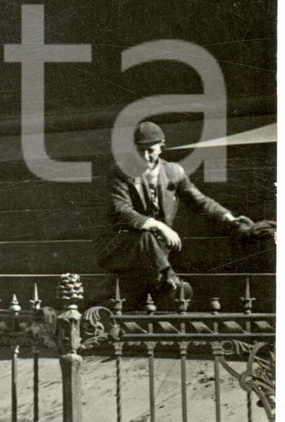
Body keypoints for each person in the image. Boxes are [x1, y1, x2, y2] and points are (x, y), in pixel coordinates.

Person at [96, 122, 255, 309]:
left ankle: (170, 292)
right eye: (141, 150)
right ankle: (172, 284)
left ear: (161, 147)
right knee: (145, 236)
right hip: (126, 247)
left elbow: (199, 201)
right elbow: (120, 209)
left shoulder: (173, 171)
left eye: (151, 150)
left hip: (159, 250)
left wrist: (229, 217)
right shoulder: (120, 172)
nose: (146, 156)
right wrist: (159, 225)